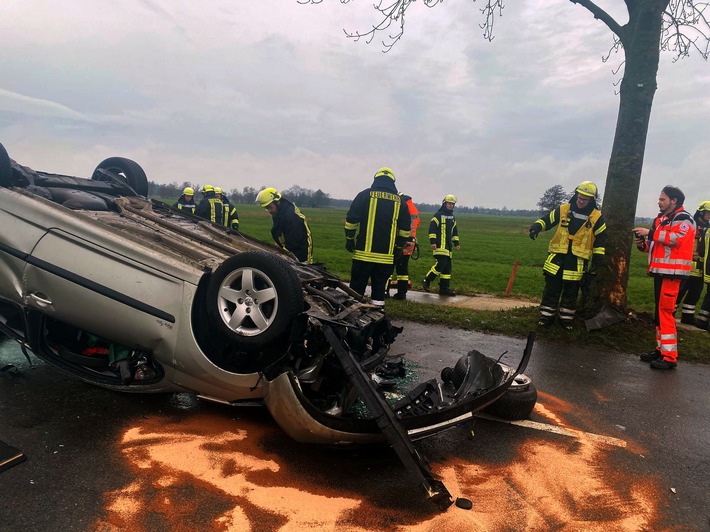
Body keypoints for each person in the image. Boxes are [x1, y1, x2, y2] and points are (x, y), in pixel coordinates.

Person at [529, 181, 607, 330]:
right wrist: (536, 228)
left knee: (571, 291)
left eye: (584, 199)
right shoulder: (564, 209)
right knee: (551, 288)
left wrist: (598, 258)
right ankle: (546, 317)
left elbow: (601, 238)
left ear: (591, 200)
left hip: (576, 262)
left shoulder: (597, 217)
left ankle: (566, 320)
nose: (580, 201)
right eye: (579, 197)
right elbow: (547, 220)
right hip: (557, 258)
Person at [634, 185, 696, 370]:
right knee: (660, 314)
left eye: (663, 199)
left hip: (673, 274)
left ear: (674, 201)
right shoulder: (663, 220)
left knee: (666, 313)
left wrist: (650, 233)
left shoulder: (684, 219)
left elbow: (677, 239)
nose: (659, 202)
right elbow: (656, 247)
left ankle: (669, 357)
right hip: (662, 272)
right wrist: (642, 244)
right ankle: (661, 349)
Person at [345, 167, 410, 306]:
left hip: (362, 255)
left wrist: (349, 239)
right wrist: (398, 247)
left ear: (376, 179)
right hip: (385, 258)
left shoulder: (364, 195)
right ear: (393, 182)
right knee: (379, 292)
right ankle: (377, 318)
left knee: (356, 290)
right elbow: (405, 230)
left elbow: (351, 220)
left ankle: (353, 318)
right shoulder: (400, 201)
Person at [675, 201, 710, 325]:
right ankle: (669, 314)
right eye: (708, 213)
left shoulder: (707, 228)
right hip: (689, 265)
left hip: (701, 268)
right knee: (680, 291)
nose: (709, 216)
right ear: (701, 212)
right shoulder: (692, 226)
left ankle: (687, 317)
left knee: (695, 294)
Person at [256, 187, 313, 263]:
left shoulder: (292, 217)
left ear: (277, 202)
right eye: (266, 208)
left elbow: (293, 244)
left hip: (301, 253)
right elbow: (279, 232)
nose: (269, 211)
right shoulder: (279, 212)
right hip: (289, 247)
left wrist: (279, 256)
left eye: (270, 207)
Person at [422, 195, 461, 297]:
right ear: (444, 204)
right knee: (441, 264)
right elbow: (432, 229)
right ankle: (427, 280)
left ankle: (444, 289)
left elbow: (454, 231)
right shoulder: (437, 215)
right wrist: (433, 242)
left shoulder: (452, 217)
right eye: (449, 204)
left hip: (448, 248)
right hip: (439, 246)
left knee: (447, 270)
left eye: (452, 204)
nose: (451, 205)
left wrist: (456, 243)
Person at [388, 192, 419, 300]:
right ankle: (402, 293)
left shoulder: (402, 206)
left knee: (389, 266)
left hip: (400, 240)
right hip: (411, 242)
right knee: (403, 268)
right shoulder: (413, 209)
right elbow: (416, 224)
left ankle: (385, 291)